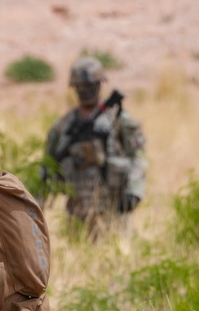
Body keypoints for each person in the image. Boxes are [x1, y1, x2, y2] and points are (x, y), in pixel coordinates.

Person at [44, 56, 148, 236]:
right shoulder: (63, 127)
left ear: (100, 84)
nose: (87, 91)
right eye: (82, 87)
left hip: (114, 212)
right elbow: (47, 168)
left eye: (92, 86)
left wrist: (133, 192)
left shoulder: (119, 120)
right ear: (74, 88)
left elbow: (138, 159)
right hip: (76, 214)